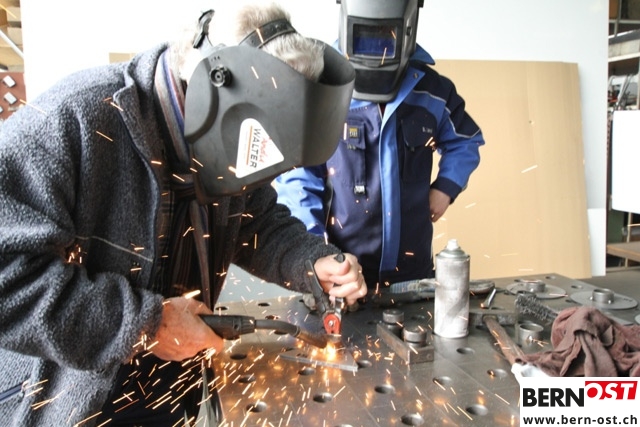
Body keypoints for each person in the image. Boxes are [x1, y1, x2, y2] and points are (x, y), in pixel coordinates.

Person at [0, 2, 366, 426]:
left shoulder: (233, 134)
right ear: (214, 91)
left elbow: (256, 221)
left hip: (173, 389)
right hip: (70, 402)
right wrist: (147, 324)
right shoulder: (78, 118)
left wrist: (311, 261)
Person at [275, 0, 485, 293]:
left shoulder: (433, 91)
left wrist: (445, 188)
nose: (378, 52)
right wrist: (315, 255)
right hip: (345, 274)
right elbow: (298, 179)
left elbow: (465, 141)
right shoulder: (321, 90)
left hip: (412, 270)